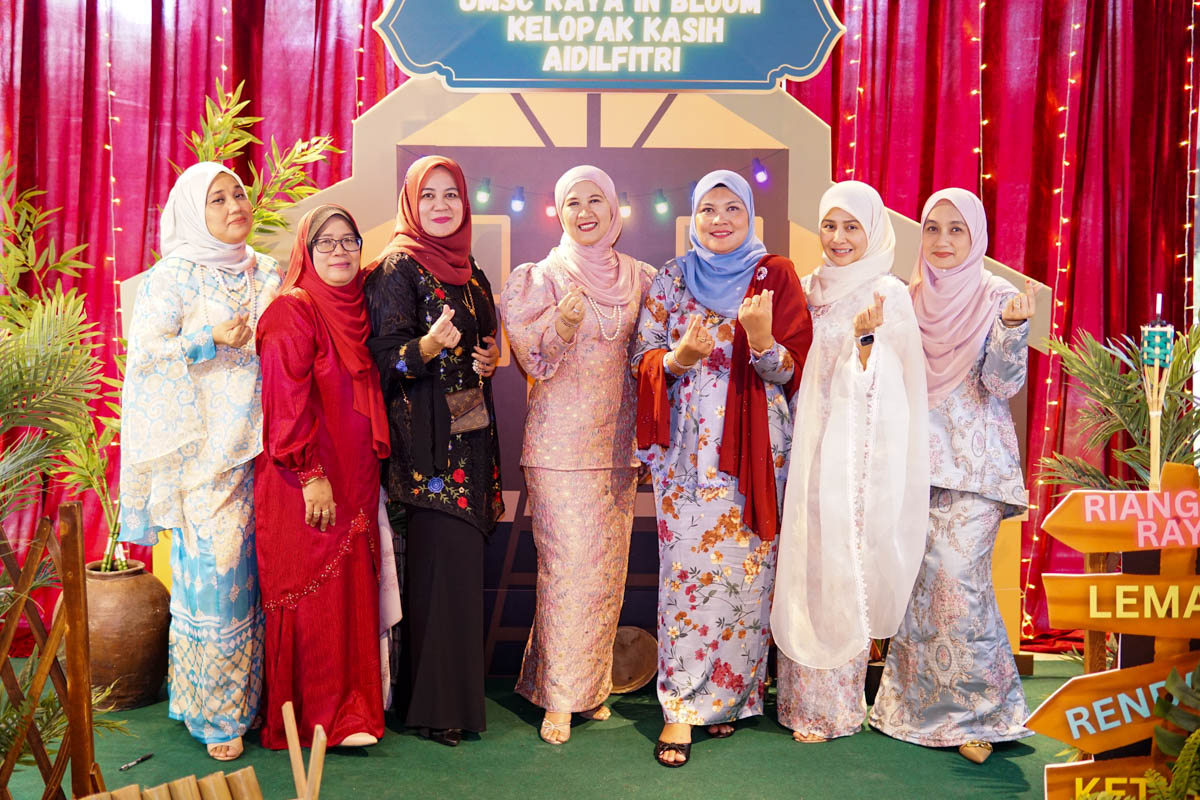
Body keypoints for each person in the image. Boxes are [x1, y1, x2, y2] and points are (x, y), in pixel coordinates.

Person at [632, 169, 812, 767]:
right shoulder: (671, 277)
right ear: (693, 217)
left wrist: (761, 343)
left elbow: (794, 371)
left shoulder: (775, 275)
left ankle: (731, 698)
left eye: (732, 208)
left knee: (747, 577)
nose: (719, 220)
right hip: (687, 457)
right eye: (708, 208)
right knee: (688, 580)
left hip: (759, 454)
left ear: (750, 214)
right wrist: (678, 359)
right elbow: (642, 357)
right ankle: (682, 707)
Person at [119, 162, 280, 760]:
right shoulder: (174, 276)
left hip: (271, 449)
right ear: (193, 211)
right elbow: (146, 356)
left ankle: (252, 701)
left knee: (264, 582)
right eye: (217, 199)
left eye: (238, 193)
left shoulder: (268, 270)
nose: (235, 205)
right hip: (205, 455)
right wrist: (208, 337)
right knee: (219, 582)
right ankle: (218, 714)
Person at [869, 188, 1035, 763]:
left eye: (956, 229)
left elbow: (1003, 383)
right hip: (915, 468)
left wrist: (1011, 330)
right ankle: (914, 710)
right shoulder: (908, 298)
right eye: (933, 228)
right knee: (922, 589)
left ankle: (979, 717)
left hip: (977, 469)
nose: (942, 241)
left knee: (959, 584)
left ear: (976, 236)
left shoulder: (998, 296)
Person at [499, 166, 655, 745]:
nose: (585, 212)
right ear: (559, 212)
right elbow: (534, 362)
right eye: (573, 202)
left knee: (604, 576)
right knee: (568, 572)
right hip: (559, 448)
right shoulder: (540, 278)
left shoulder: (641, 278)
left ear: (614, 209)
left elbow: (652, 359)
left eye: (595, 201)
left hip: (616, 449)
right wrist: (562, 326)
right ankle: (561, 700)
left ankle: (585, 688)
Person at [771, 180, 929, 743]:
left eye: (851, 227)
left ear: (873, 230)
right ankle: (796, 700)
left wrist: (864, 346)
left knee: (841, 567)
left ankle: (834, 708)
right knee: (804, 566)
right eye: (830, 225)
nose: (838, 238)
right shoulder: (808, 287)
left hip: (856, 459)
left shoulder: (887, 292)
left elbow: (900, 385)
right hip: (803, 450)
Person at [363, 155, 503, 748]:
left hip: (471, 439)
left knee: (461, 573)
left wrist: (490, 357)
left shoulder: (472, 274)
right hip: (426, 450)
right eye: (429, 196)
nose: (441, 206)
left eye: (451, 195)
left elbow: (487, 338)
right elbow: (378, 360)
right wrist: (423, 347)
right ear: (411, 203)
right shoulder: (397, 268)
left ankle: (453, 702)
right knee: (437, 572)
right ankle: (431, 708)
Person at [254, 204, 391, 750]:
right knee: (310, 594)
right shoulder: (292, 311)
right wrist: (310, 473)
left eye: (348, 240)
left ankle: (352, 713)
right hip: (304, 478)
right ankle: (310, 719)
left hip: (354, 475)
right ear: (306, 253)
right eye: (325, 242)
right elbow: (283, 404)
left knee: (348, 591)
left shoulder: (360, 309)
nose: (339, 251)